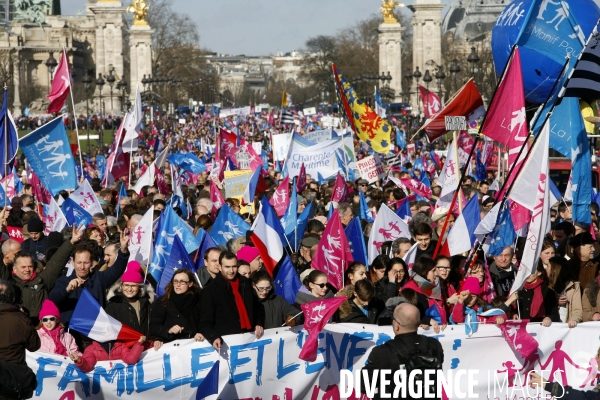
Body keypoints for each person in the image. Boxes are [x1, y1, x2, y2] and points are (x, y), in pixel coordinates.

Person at [360, 303, 444, 400]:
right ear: (418, 323)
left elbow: (364, 386)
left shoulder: (382, 352)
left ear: (397, 325)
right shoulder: (434, 345)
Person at [49, 228, 130, 325]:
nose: (82, 267)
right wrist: (67, 290)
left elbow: (116, 270)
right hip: (71, 334)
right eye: (79, 263)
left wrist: (123, 250)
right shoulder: (64, 281)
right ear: (73, 262)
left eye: (86, 263)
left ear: (91, 263)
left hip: (95, 333)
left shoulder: (99, 278)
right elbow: (52, 299)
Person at [11, 228, 83, 325]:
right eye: (23, 267)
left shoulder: (42, 280)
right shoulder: (10, 284)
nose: (27, 270)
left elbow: (56, 263)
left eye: (30, 266)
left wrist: (71, 242)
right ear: (15, 269)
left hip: (43, 328)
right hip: (20, 329)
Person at [198, 251, 264, 350]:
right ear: (220, 267)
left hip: (250, 338)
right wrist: (213, 337)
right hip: (227, 342)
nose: (231, 270)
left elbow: (256, 306)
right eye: (227, 267)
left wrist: (258, 322)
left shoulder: (245, 282)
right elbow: (205, 321)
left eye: (234, 266)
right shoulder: (210, 290)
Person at [106, 261, 157, 346]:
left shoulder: (148, 303)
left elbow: (154, 326)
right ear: (121, 286)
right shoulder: (113, 305)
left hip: (147, 349)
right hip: (125, 351)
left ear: (140, 287)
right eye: (126, 285)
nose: (129, 289)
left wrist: (156, 339)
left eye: (133, 286)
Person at [150, 269, 203, 344]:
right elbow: (154, 326)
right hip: (172, 346)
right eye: (175, 281)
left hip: (194, 345)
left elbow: (205, 322)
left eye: (182, 282)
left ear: (190, 283)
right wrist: (168, 330)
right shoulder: (164, 301)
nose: (178, 284)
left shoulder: (199, 299)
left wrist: (202, 333)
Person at [0, 279, 40, 365]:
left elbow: (34, 346)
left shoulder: (21, 319)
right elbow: (34, 346)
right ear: (13, 298)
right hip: (14, 372)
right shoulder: (22, 320)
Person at [547, 256, 581, 327]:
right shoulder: (546, 287)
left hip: (567, 328)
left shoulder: (574, 286)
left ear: (555, 269)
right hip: (551, 327)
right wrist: (555, 301)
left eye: (548, 266)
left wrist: (574, 320)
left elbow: (577, 309)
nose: (546, 269)